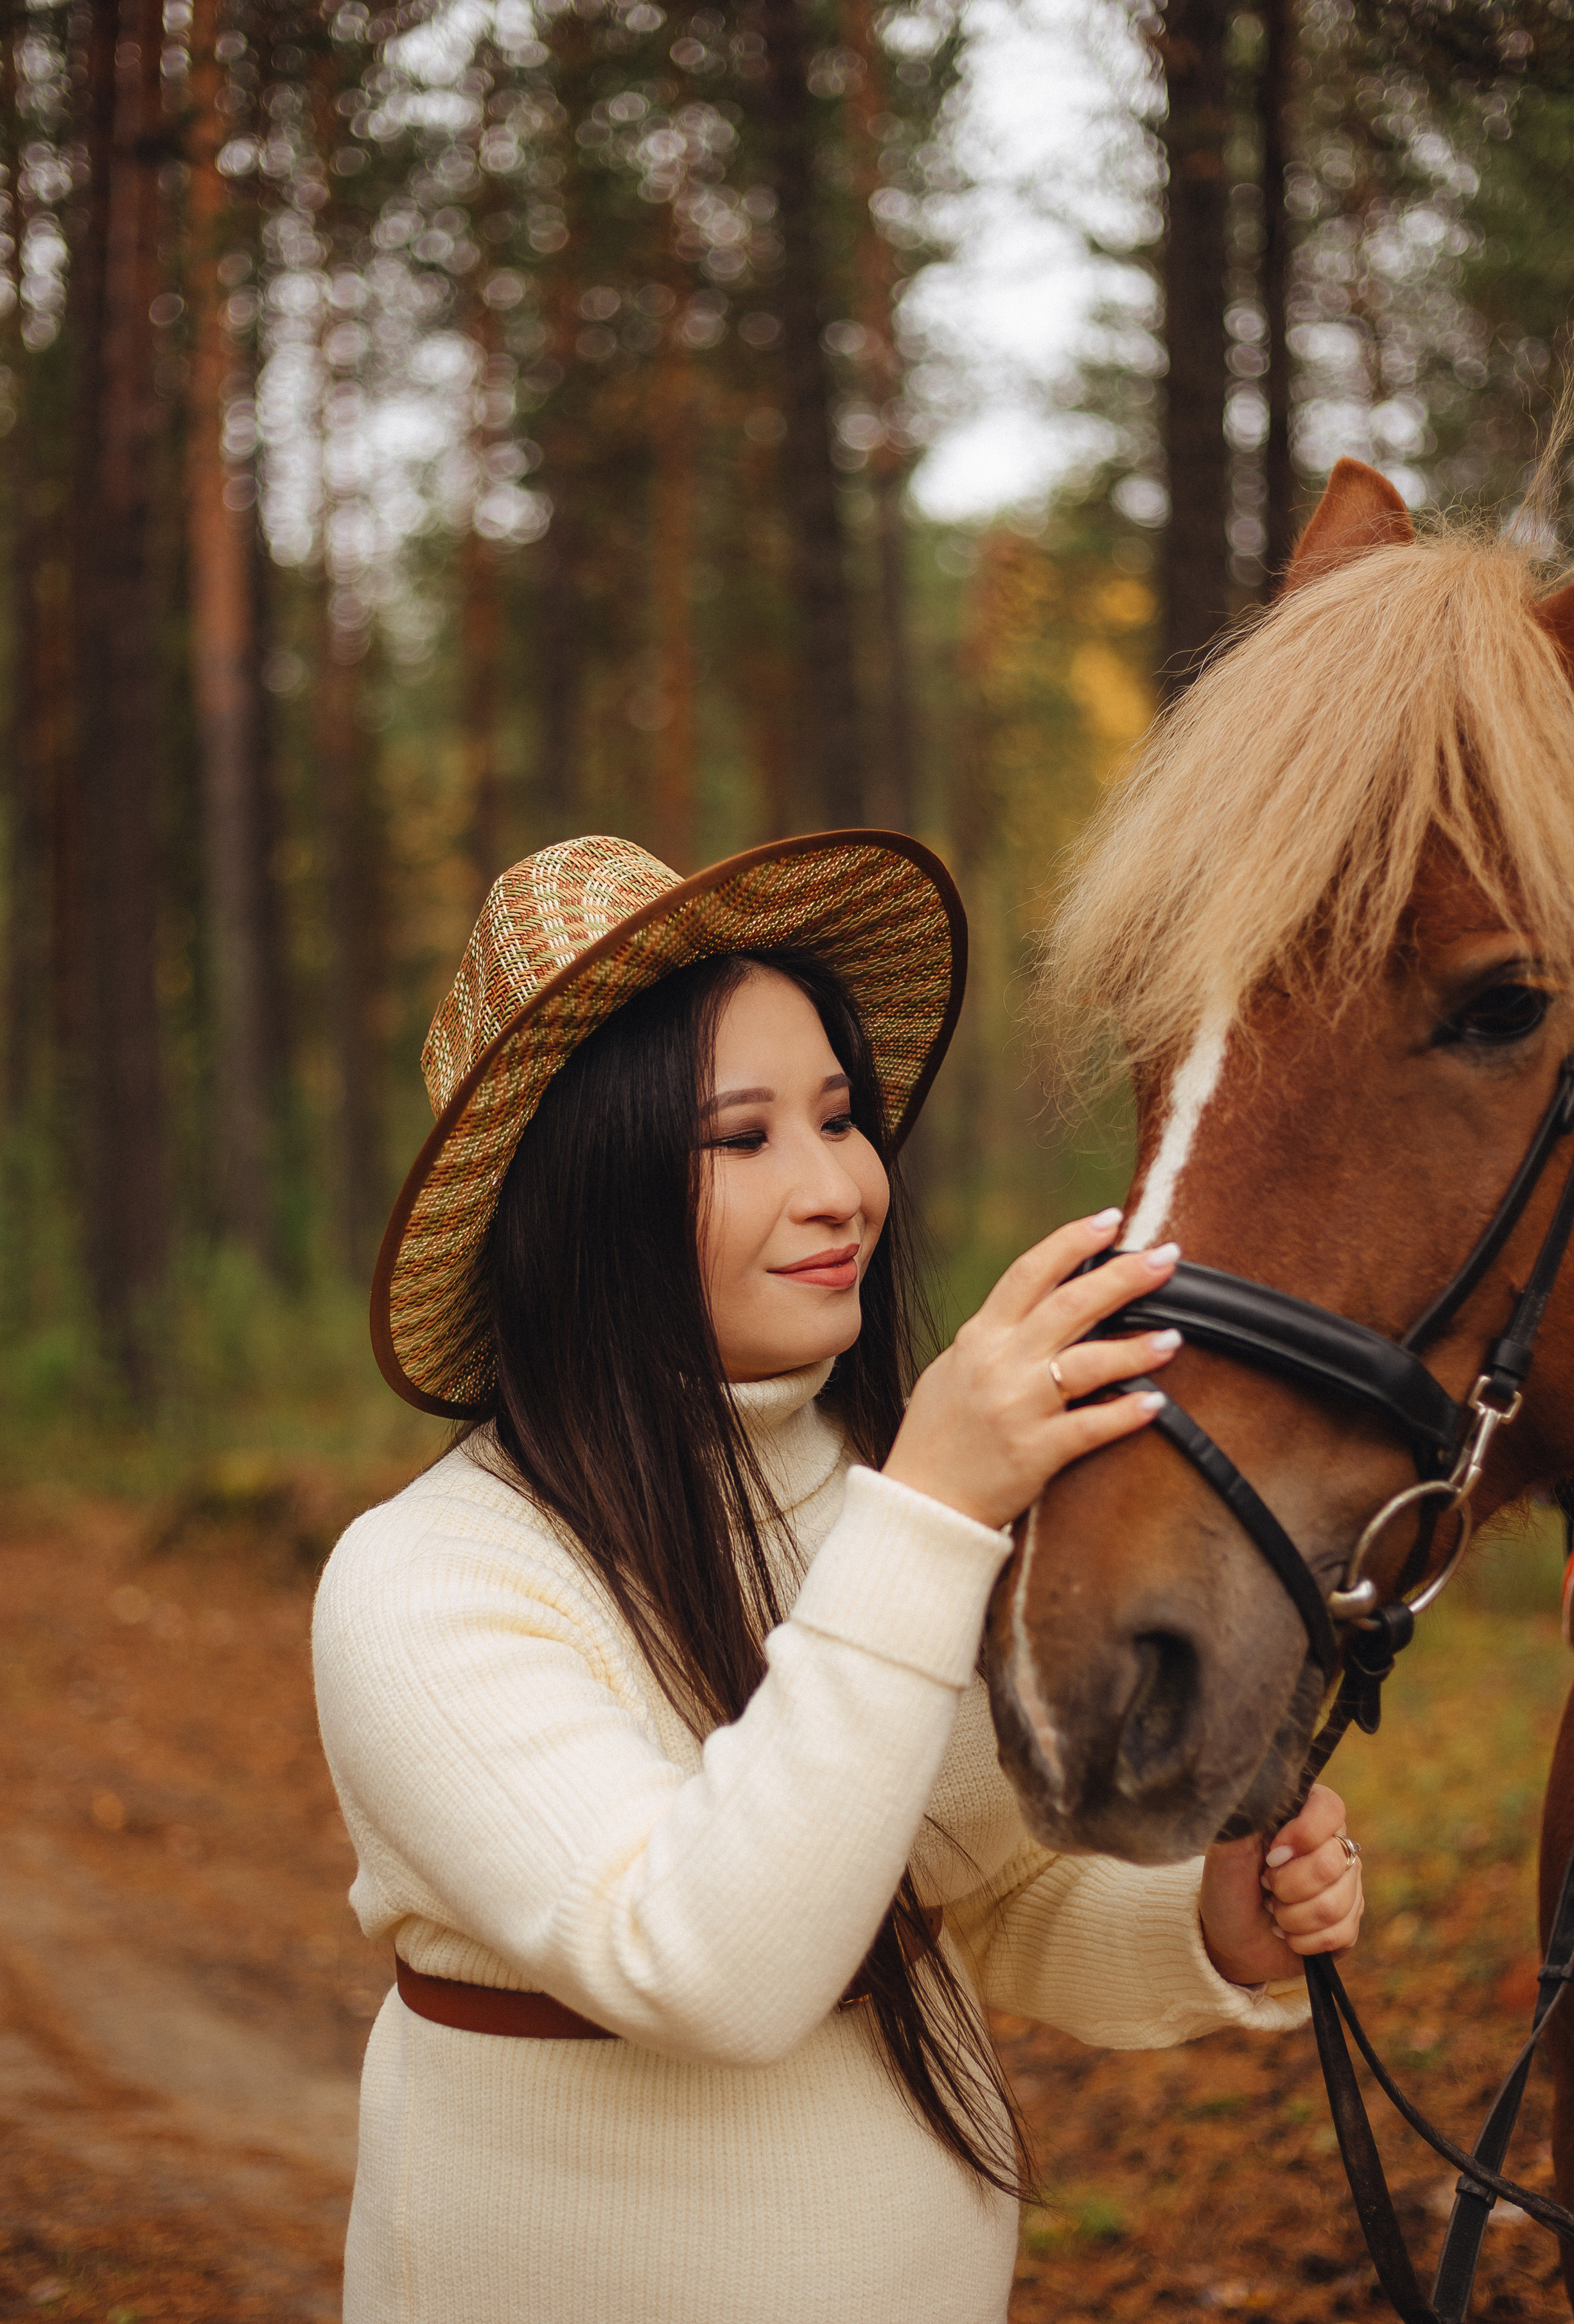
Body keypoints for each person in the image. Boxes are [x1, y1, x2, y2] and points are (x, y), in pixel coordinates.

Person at [313, 829, 1363, 2324]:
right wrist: (930, 1506)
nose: (836, 1189)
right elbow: (706, 1967)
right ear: (584, 1196)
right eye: (740, 1140)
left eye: (839, 1116)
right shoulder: (426, 1583)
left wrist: (1204, 1923)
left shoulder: (875, 1503)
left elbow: (960, 1894)